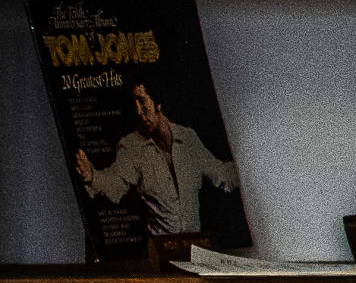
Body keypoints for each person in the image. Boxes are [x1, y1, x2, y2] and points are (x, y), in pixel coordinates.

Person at [74, 79, 240, 244]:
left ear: (158, 104)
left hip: (195, 249)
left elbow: (221, 174)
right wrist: (93, 176)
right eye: (135, 104)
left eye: (142, 101)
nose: (138, 111)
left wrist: (251, 165)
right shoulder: (131, 146)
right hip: (162, 254)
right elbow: (115, 183)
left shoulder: (188, 138)